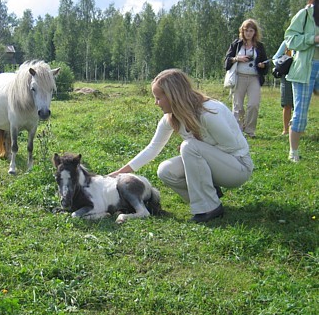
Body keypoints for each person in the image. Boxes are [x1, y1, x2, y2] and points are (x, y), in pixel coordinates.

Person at [109, 69, 254, 223]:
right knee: (165, 170)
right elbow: (152, 149)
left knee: (189, 147)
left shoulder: (209, 112)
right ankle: (210, 197)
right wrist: (118, 174)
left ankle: (210, 208)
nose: (156, 103)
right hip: (215, 164)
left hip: (238, 167)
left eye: (158, 98)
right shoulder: (171, 118)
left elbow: (232, 147)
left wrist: (198, 146)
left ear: (172, 96)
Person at [284, 0, 319, 162]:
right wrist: (312, 39)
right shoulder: (305, 14)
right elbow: (290, 40)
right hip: (306, 67)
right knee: (301, 111)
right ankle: (293, 152)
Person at [224, 19, 269, 138]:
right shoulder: (236, 44)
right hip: (239, 77)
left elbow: (266, 65)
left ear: (255, 32)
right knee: (237, 105)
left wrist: (262, 65)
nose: (248, 33)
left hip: (254, 78)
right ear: (242, 31)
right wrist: (236, 59)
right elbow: (226, 62)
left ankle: (250, 130)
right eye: (246, 30)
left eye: (251, 31)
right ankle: (237, 129)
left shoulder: (259, 46)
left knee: (253, 104)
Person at [272, 40, 294, 135]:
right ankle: (286, 130)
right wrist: (282, 62)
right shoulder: (287, 42)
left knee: (300, 105)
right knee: (287, 103)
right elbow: (275, 58)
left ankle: (298, 129)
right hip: (287, 76)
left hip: (302, 76)